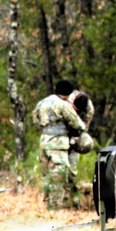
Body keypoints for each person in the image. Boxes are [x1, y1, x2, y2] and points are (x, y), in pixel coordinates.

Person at [32, 79, 86, 209]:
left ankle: (47, 203)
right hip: (58, 143)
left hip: (44, 141)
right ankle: (56, 206)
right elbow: (77, 123)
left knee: (46, 175)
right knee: (59, 174)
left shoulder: (42, 103)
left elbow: (35, 119)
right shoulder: (63, 105)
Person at [67, 89, 95, 207]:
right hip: (60, 135)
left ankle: (71, 195)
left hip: (75, 133)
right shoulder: (66, 101)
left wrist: (74, 140)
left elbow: (83, 128)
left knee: (71, 168)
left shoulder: (89, 110)